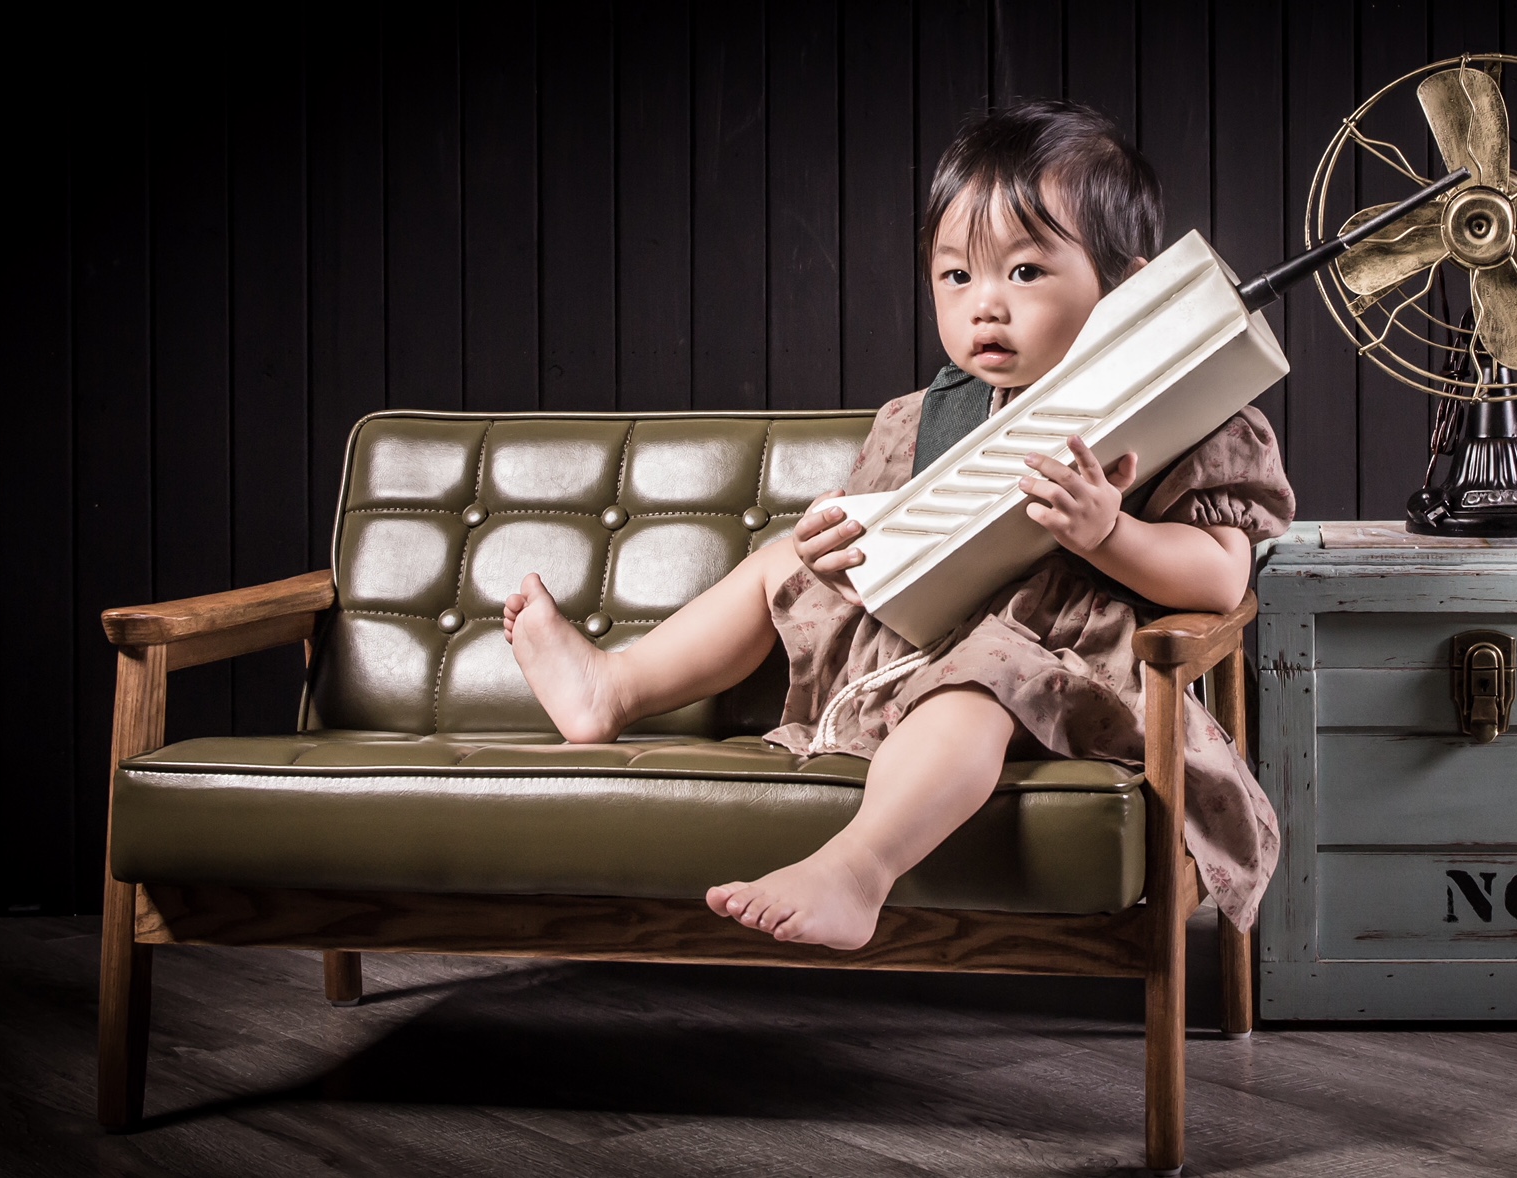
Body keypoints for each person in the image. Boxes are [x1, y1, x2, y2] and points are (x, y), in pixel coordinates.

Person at [503, 100, 1290, 950]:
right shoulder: (923, 418)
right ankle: (611, 690)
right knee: (780, 565)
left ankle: (856, 869)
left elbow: (1220, 577)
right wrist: (834, 551)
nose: (985, 306)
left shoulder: (1196, 413)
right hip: (916, 633)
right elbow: (875, 545)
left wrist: (1111, 534)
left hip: (1067, 664)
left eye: (1025, 273)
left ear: (1128, 287)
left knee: (979, 676)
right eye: (957, 277)